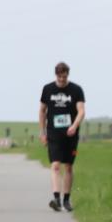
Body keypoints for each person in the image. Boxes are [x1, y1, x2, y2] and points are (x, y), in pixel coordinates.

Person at [39, 62, 85, 212]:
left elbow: (81, 111)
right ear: (55, 75)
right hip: (53, 132)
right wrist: (42, 132)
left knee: (69, 166)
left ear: (68, 75)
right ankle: (56, 198)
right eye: (59, 77)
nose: (62, 80)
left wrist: (74, 125)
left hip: (71, 134)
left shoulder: (76, 90)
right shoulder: (47, 89)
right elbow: (42, 111)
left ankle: (66, 199)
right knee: (55, 165)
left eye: (64, 77)